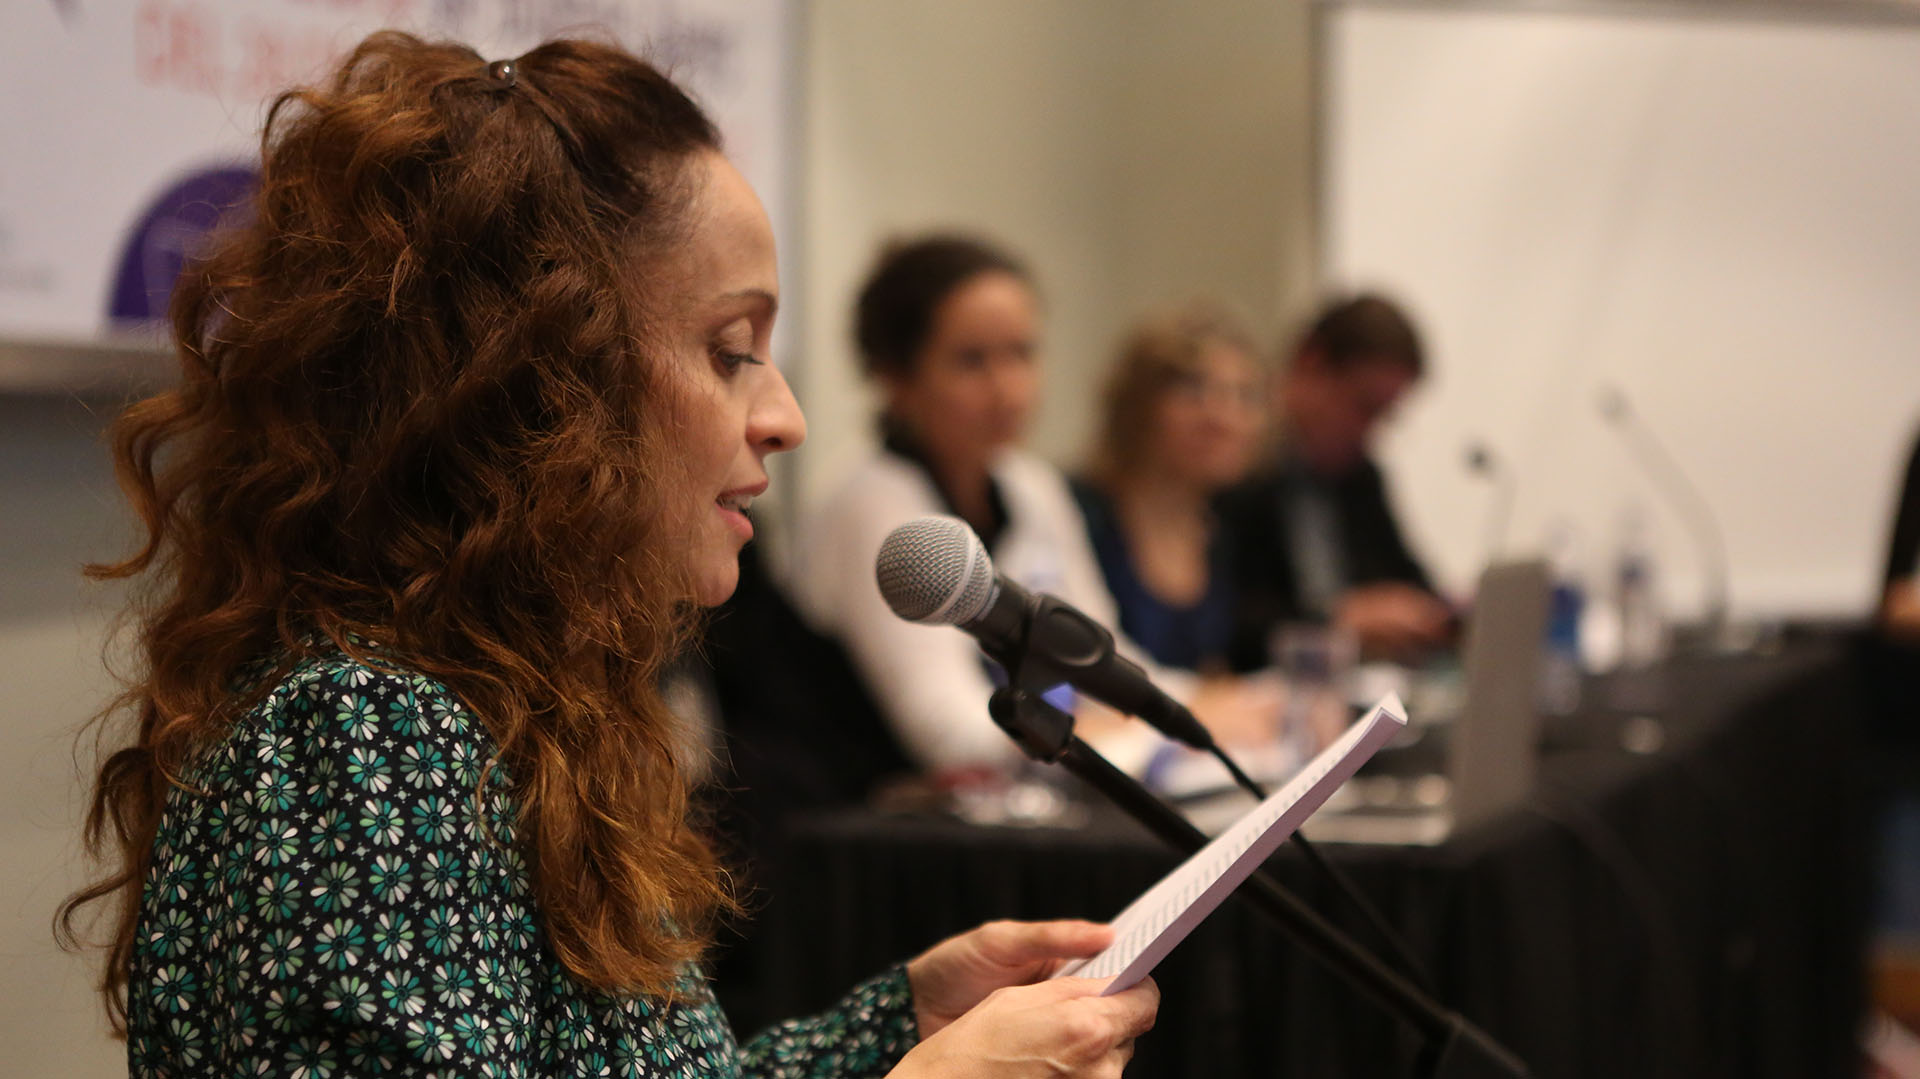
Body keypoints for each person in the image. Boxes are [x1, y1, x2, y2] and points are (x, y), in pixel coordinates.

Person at [58, 33, 1156, 1078]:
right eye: (730, 351)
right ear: (541, 383)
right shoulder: (365, 736)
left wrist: (893, 1026)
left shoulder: (523, 710)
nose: (784, 416)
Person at [793, 235, 1169, 774]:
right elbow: (948, 733)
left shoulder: (1031, 485)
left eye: (1022, 353)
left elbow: (1104, 661)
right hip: (886, 826)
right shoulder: (866, 502)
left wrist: (1202, 705)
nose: (1008, 389)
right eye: (972, 361)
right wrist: (1132, 734)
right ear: (895, 377)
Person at [1219, 293, 1453, 669]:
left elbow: (1414, 583)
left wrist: (1438, 616)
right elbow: (1223, 629)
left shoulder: (1360, 476)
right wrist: (1338, 620)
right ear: (1311, 365)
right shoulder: (1232, 472)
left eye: (1386, 415)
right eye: (1363, 406)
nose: (1371, 430)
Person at [1073, 302, 1265, 673]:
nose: (1224, 417)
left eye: (1245, 396)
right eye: (1194, 391)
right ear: (1138, 404)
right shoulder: (1081, 513)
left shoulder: (1223, 529)